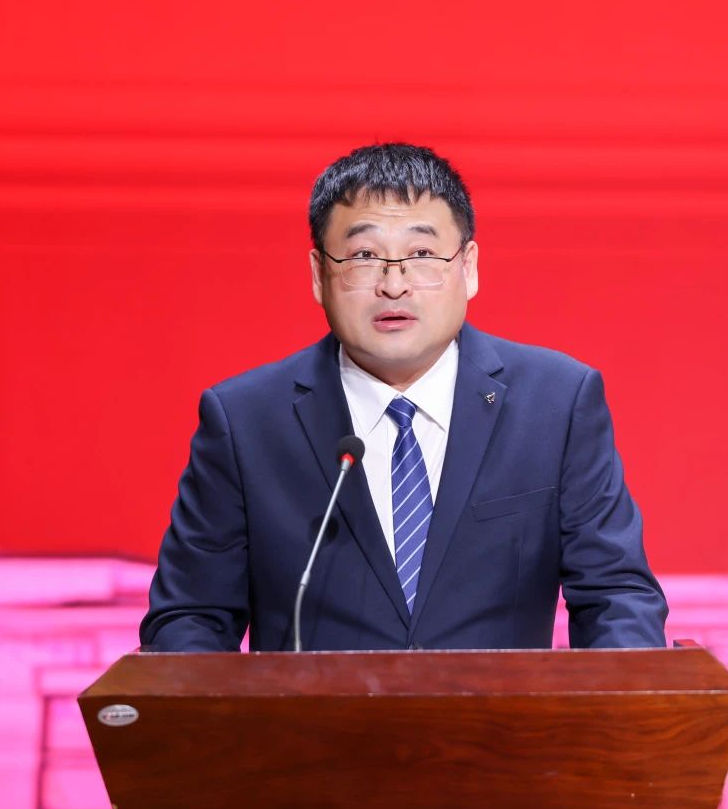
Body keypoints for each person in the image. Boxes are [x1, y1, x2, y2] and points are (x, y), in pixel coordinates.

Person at [140, 143, 667, 652]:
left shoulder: (556, 403)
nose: (394, 285)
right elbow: (190, 616)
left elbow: (616, 596)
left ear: (468, 267)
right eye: (364, 255)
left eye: (421, 254)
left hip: (501, 717)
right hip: (313, 717)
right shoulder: (245, 421)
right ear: (319, 275)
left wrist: (633, 704)